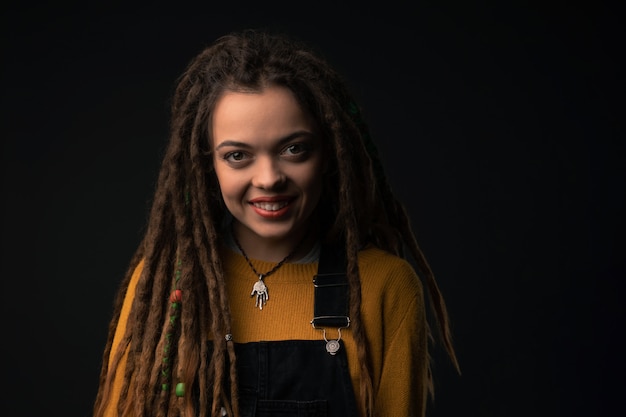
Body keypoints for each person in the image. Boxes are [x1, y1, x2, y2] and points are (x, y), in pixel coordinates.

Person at [93, 28, 460, 417]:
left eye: (293, 149)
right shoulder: (165, 290)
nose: (269, 178)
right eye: (238, 155)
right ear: (207, 166)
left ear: (329, 153)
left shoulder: (386, 287)